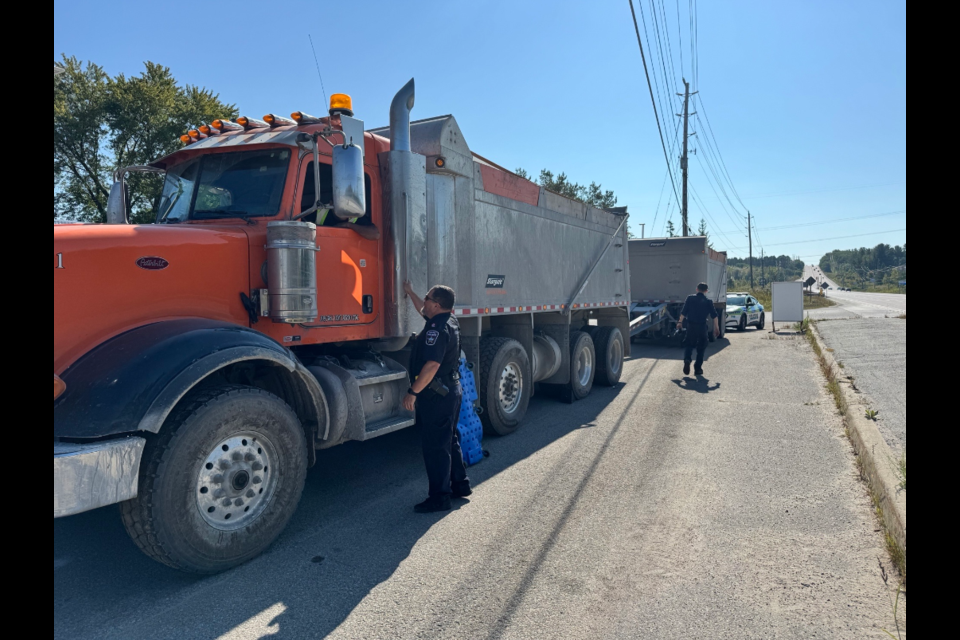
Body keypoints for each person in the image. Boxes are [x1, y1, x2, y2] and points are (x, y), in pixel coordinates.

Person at [402, 281, 472, 513]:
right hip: (451, 390)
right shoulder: (448, 320)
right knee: (449, 439)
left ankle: (439, 497)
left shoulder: (436, 329)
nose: (424, 301)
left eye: (427, 298)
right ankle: (460, 486)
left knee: (435, 446)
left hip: (437, 395)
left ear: (437, 304)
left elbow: (432, 364)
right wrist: (410, 292)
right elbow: (421, 310)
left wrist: (413, 392)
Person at [677, 282, 720, 377]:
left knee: (689, 343)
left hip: (691, 326)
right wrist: (717, 328)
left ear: (697, 289)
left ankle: (687, 359)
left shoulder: (690, 298)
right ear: (706, 291)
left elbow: (684, 312)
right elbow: (715, 316)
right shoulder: (708, 301)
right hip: (702, 327)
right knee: (701, 347)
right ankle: (698, 368)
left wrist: (680, 322)